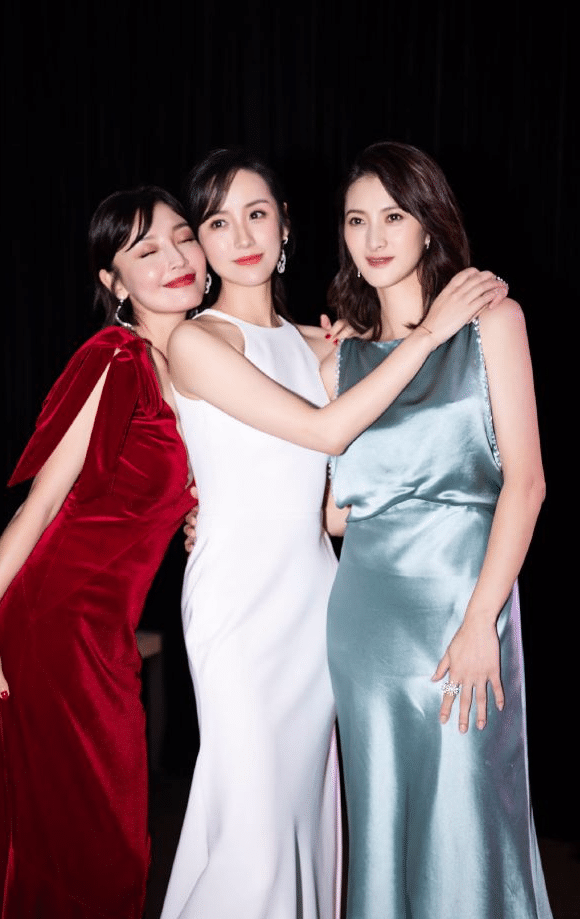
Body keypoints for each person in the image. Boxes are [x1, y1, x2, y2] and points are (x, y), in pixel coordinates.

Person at [160, 148, 508, 919]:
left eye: (257, 213)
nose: (241, 236)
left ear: (285, 225)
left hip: (319, 604)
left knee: (304, 829)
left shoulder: (320, 346)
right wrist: (427, 335)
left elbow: (345, 500)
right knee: (252, 842)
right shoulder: (196, 341)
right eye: (217, 222)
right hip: (238, 606)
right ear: (201, 241)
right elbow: (325, 433)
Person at [0, 186, 207, 919]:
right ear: (113, 281)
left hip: (105, 636)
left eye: (183, 236)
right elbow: (41, 504)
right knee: (92, 845)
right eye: (146, 250)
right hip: (54, 629)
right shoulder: (116, 359)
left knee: (107, 841)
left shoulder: (199, 362)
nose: (175, 257)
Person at [325, 142, 552, 918]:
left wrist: (482, 619)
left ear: (428, 221)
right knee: (381, 823)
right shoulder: (340, 358)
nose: (374, 236)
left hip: (466, 612)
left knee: (468, 825)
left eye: (393, 216)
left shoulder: (494, 322)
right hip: (364, 625)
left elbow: (527, 482)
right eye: (357, 219)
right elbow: (333, 513)